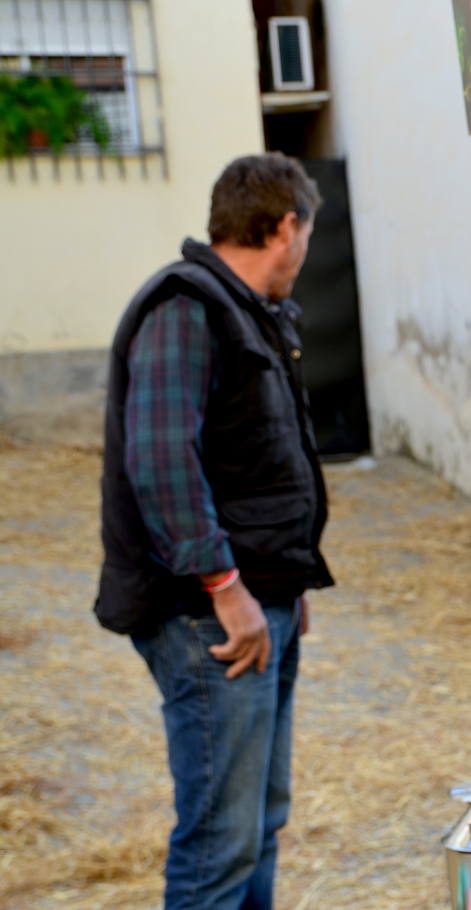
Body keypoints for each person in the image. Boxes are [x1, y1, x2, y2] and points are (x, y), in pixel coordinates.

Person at [95, 152, 333, 909]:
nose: (304, 252)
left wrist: (287, 580)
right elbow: (162, 463)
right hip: (208, 617)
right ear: (286, 227)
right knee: (220, 843)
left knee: (258, 823)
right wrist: (228, 589)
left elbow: (256, 462)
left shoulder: (250, 312)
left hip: (259, 600)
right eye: (307, 236)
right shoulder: (187, 307)